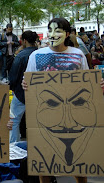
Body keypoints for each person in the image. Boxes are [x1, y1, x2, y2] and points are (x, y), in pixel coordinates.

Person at [22, 17, 93, 183]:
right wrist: (26, 84)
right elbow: (29, 83)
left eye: (58, 30)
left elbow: (86, 83)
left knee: (78, 162)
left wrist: (97, 84)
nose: (53, 34)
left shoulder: (78, 54)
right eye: (51, 30)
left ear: (67, 34)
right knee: (45, 162)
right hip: (46, 117)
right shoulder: (36, 55)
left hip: (75, 117)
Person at [8, 30, 38, 143]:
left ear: (24, 41)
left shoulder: (20, 56)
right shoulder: (40, 54)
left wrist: (13, 88)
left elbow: (13, 77)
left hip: (21, 94)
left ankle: (14, 145)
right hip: (38, 94)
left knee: (14, 120)